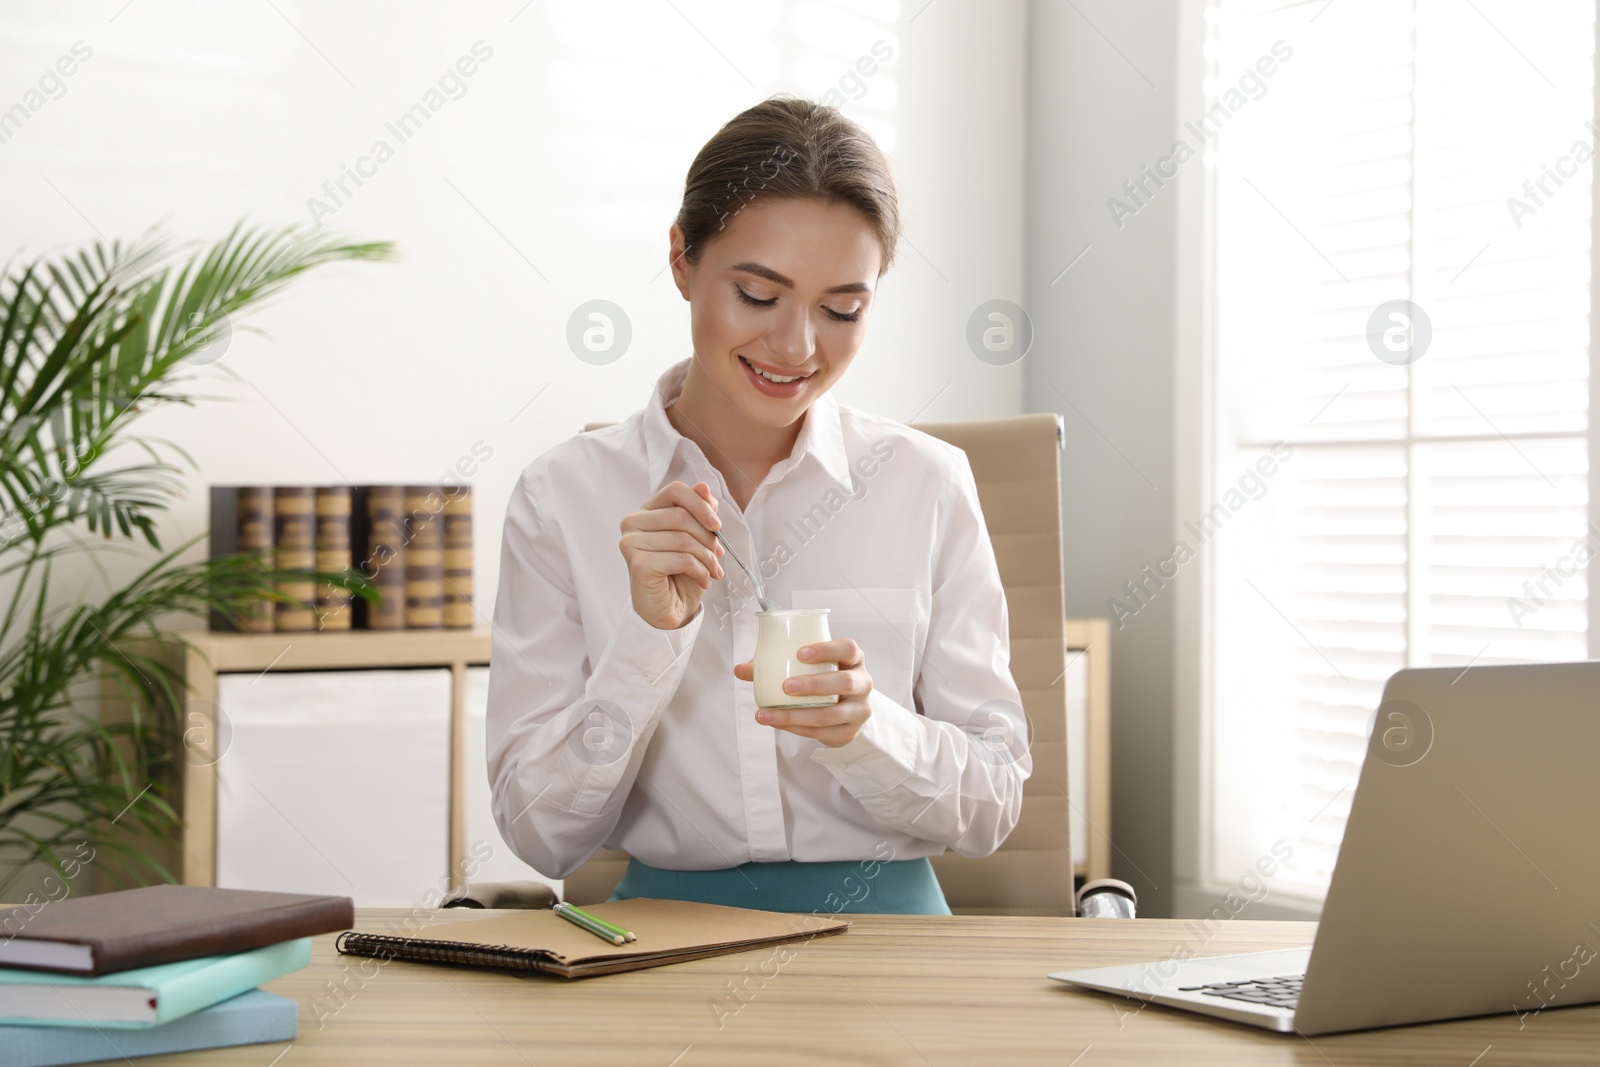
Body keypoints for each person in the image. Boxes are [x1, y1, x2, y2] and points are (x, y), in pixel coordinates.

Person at [486, 94, 1030, 916]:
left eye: (843, 308)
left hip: (896, 947)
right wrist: (649, 642)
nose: (797, 347)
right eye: (757, 294)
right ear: (681, 260)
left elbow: (992, 805)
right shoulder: (562, 498)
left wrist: (865, 728)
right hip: (661, 941)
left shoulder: (927, 484)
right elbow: (540, 833)